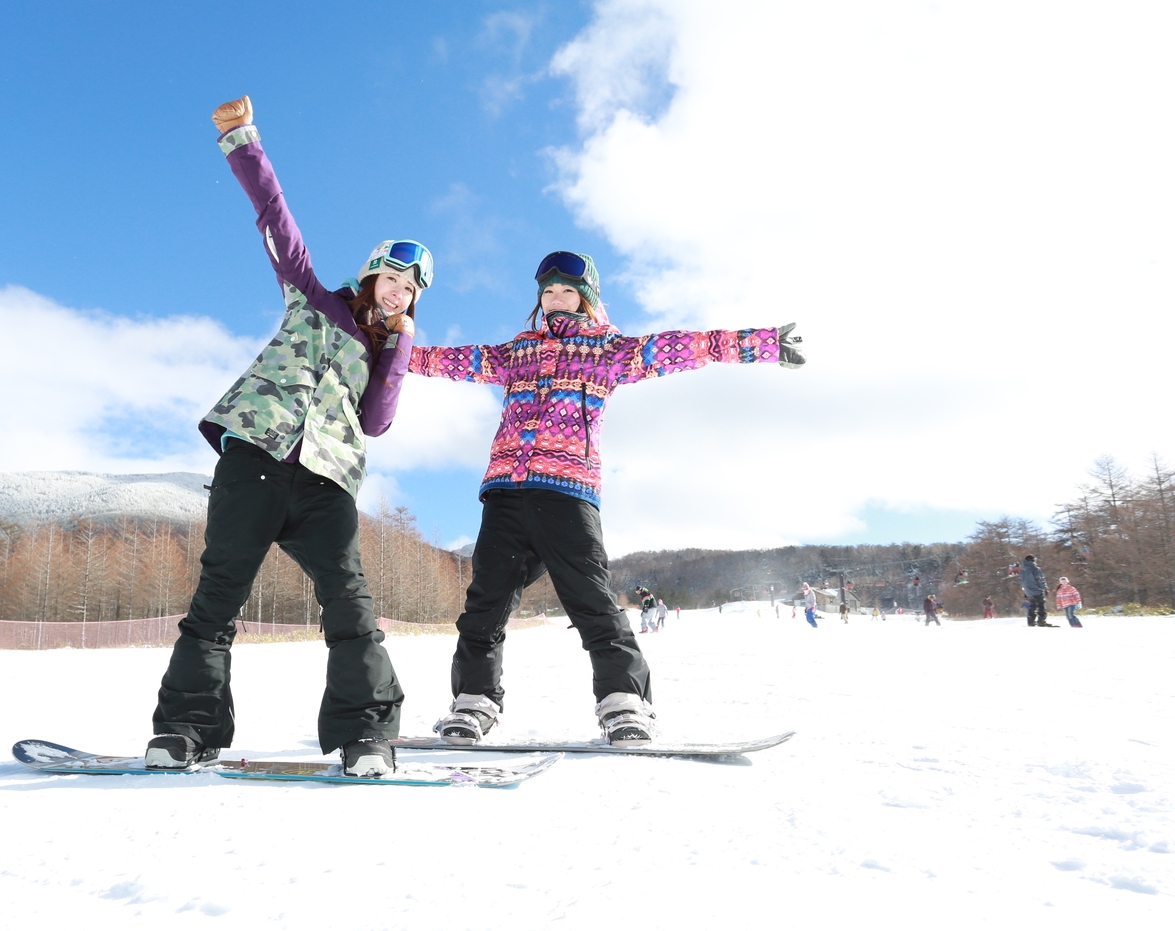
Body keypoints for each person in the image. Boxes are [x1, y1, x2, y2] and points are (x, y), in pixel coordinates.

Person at [145, 95, 434, 778]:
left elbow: (375, 422)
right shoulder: (313, 296)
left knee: (350, 601)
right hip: (257, 457)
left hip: (326, 479)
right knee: (217, 596)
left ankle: (366, 734)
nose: (397, 292)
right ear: (370, 272)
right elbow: (275, 217)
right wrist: (241, 139)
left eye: (410, 290)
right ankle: (186, 728)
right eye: (391, 278)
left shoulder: (386, 344)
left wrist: (397, 350)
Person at [411, 250, 803, 743]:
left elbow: (682, 347)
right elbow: (441, 360)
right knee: (483, 605)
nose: (555, 299)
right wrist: (383, 348)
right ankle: (473, 703)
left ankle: (624, 704)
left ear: (586, 298)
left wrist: (759, 344)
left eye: (566, 291)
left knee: (591, 601)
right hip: (505, 494)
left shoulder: (607, 351)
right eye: (548, 292)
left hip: (566, 492)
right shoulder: (515, 354)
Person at [1020, 554, 1058, 627]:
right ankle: (1041, 621)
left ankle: (1031, 622)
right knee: (1041, 606)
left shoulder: (1022, 571)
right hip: (1037, 590)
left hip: (1028, 592)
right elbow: (1040, 580)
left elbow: (1021, 581)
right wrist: (1045, 588)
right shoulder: (1035, 569)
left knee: (1032, 606)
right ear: (1032, 561)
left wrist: (1026, 591)